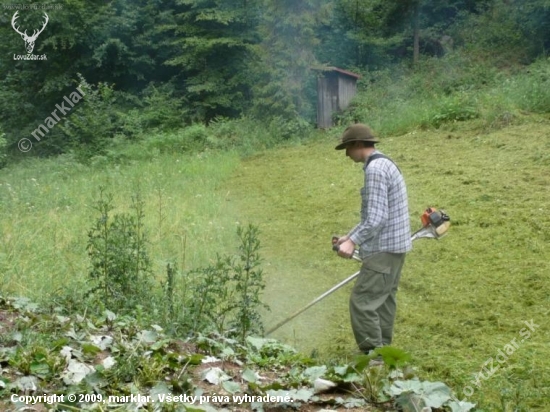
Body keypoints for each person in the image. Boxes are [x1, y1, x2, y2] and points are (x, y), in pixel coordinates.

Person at [334, 123, 412, 355]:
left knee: (362, 302)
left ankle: (373, 356)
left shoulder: (375, 170)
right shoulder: (385, 163)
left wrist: (353, 242)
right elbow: (374, 214)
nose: (347, 154)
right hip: (395, 248)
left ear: (358, 144)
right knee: (384, 300)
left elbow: (377, 218)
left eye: (347, 148)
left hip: (383, 250)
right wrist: (348, 236)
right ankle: (383, 351)